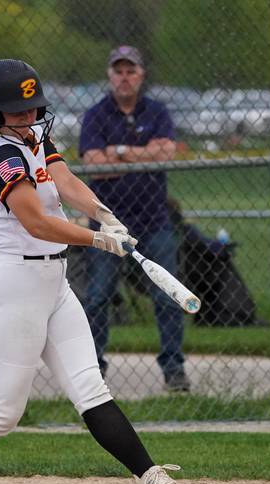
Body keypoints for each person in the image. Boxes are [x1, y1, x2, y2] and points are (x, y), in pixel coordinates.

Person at [0, 59, 195, 484]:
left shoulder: (34, 137)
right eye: (17, 112)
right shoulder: (0, 155)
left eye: (32, 109)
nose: (28, 118)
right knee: (6, 410)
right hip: (14, 286)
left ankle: (152, 476)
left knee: (91, 390)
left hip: (53, 284)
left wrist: (103, 213)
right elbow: (38, 223)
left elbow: (63, 179)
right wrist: (99, 240)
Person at [79, 45, 191, 392]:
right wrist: (140, 155)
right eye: (118, 71)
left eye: (131, 71)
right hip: (108, 222)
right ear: (109, 75)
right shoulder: (97, 115)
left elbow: (166, 154)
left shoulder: (156, 111)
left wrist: (120, 152)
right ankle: (92, 370)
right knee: (98, 296)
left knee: (167, 295)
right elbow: (94, 165)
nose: (124, 77)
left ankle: (173, 369)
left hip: (154, 219)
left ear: (141, 75)